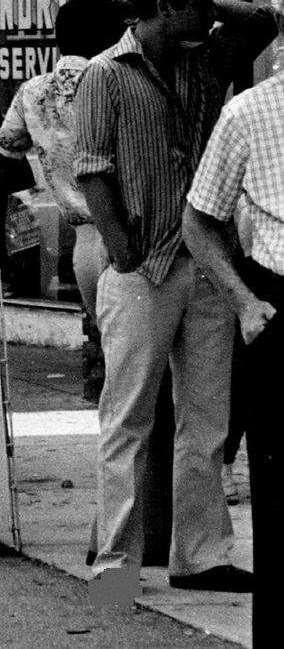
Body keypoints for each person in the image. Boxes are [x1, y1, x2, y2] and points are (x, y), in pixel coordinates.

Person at [73, 0, 275, 596]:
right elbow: (92, 170)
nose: (212, 17)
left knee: (206, 421)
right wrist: (123, 251)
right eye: (199, 5)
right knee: (128, 420)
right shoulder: (105, 74)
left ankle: (201, 557)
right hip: (143, 270)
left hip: (207, 263)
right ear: (164, 6)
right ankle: (116, 564)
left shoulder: (205, 61)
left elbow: (264, 22)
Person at [182, 58, 284, 646]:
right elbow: (197, 220)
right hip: (268, 298)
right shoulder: (247, 112)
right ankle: (114, 582)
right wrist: (244, 303)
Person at [0, 0, 127, 308]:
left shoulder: (33, 93)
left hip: (85, 245)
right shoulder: (123, 83)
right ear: (114, 41)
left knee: (101, 332)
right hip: (130, 239)